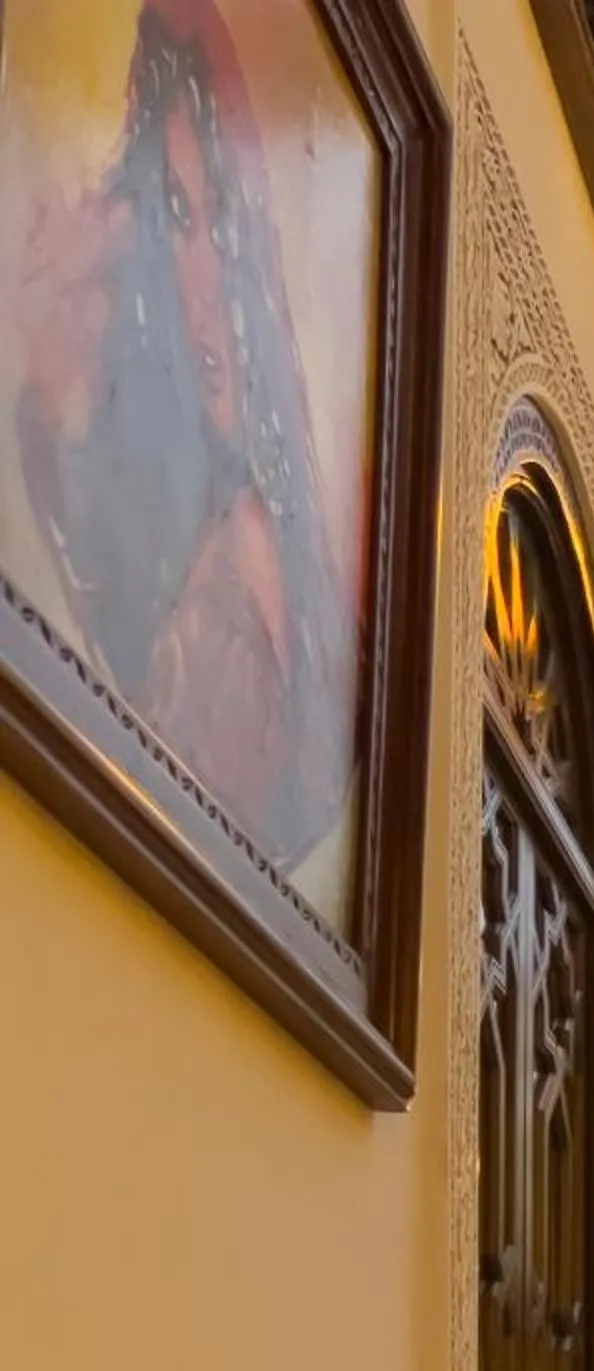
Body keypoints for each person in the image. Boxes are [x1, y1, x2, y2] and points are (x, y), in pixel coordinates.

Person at [15, 0, 357, 872]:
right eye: (174, 211)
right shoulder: (106, 486)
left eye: (221, 218)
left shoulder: (290, 552)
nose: (204, 274)